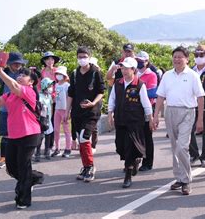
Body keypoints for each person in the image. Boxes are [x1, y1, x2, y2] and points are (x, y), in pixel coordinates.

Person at [0, 64, 44, 209]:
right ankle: (34, 178)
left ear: (30, 81)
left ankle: (23, 199)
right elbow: (0, 102)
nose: (19, 76)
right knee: (12, 167)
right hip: (13, 135)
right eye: (18, 74)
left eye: (23, 75)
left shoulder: (29, 91)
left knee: (23, 165)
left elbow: (13, 85)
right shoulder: (11, 93)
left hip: (30, 133)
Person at [153, 46, 205, 196]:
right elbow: (161, 97)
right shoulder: (167, 75)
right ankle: (179, 177)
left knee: (182, 147)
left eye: (180, 57)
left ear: (187, 59)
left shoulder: (193, 75)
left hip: (187, 112)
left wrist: (200, 119)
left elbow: (201, 97)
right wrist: (156, 116)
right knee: (175, 147)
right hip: (170, 112)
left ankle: (187, 180)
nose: (177, 59)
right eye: (175, 56)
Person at [108, 57, 154, 188]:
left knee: (129, 148)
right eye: (122, 68)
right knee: (120, 147)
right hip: (120, 120)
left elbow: (146, 104)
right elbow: (112, 99)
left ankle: (127, 175)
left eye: (127, 68)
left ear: (133, 70)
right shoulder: (117, 83)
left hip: (134, 122)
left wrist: (150, 119)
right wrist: (110, 114)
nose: (124, 70)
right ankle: (135, 160)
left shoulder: (140, 85)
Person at [67, 46, 106, 183]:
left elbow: (101, 91)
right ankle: (85, 166)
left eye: (84, 56)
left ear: (89, 57)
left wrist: (93, 103)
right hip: (77, 113)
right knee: (80, 140)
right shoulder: (75, 74)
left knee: (84, 138)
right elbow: (71, 94)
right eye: (80, 57)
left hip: (91, 113)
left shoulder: (96, 72)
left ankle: (90, 166)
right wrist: (67, 112)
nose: (82, 59)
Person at [0, 52, 27, 169]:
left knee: (20, 133)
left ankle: (18, 157)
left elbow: (35, 80)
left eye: (19, 63)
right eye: (15, 64)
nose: (18, 66)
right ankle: (3, 157)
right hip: (6, 108)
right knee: (5, 134)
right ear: (9, 64)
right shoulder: (5, 73)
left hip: (20, 109)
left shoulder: (24, 73)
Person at [190, 45, 205, 168]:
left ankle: (204, 157)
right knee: (189, 131)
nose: (198, 57)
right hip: (191, 106)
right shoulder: (190, 70)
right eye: (196, 55)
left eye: (201, 55)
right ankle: (194, 154)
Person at [135, 51, 158, 171]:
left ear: (147, 62)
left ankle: (148, 162)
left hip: (148, 108)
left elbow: (152, 93)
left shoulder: (151, 75)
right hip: (134, 108)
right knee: (136, 135)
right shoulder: (133, 72)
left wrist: (136, 92)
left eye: (141, 61)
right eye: (137, 60)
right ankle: (134, 160)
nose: (138, 63)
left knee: (147, 136)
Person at [52, 66, 72, 158]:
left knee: (66, 130)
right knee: (56, 130)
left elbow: (69, 98)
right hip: (57, 109)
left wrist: (68, 111)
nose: (58, 76)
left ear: (64, 75)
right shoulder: (56, 85)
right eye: (57, 74)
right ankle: (57, 148)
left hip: (65, 110)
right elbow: (55, 97)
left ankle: (68, 148)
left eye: (61, 74)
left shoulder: (67, 85)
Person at [34, 78, 55, 161]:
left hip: (48, 118)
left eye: (51, 86)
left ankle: (47, 151)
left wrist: (50, 117)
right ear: (44, 86)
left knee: (48, 135)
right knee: (41, 136)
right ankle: (37, 153)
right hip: (41, 119)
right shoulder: (39, 96)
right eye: (49, 86)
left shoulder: (49, 96)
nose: (51, 88)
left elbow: (51, 106)